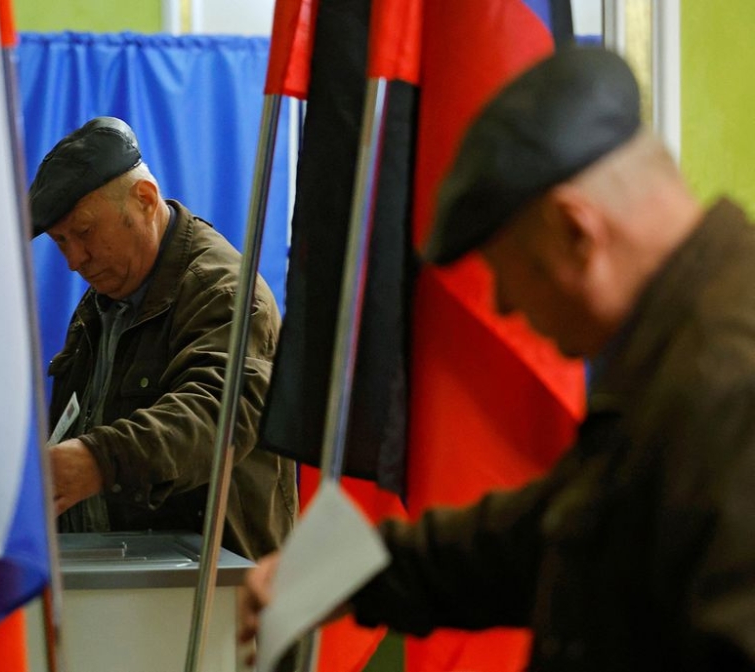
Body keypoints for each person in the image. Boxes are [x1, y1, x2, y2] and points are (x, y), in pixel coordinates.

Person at [240, 47, 755, 670]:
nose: (507, 309)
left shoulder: (727, 379)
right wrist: (346, 573)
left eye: (511, 277)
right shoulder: (680, 343)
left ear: (576, 232)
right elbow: (551, 536)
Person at [29, 116, 296, 560]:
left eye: (85, 232)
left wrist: (98, 461)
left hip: (212, 589)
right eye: (60, 242)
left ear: (145, 200)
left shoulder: (224, 291)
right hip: (125, 576)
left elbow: (214, 413)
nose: (75, 259)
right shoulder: (105, 297)